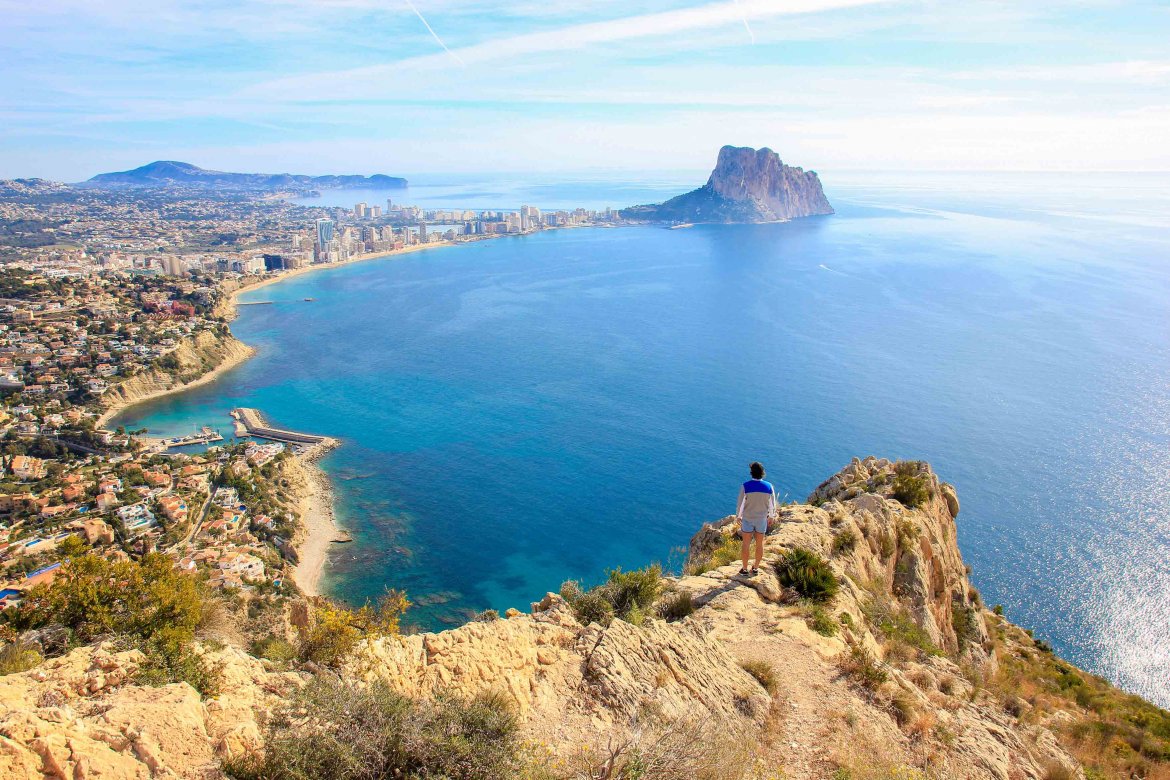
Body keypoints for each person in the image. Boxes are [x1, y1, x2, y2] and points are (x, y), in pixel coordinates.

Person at [735, 461, 776, 576]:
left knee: (746, 544)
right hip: (762, 519)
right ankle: (756, 568)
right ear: (762, 473)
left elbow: (741, 504)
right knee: (759, 544)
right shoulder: (769, 487)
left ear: (751, 473)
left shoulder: (745, 486)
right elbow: (772, 504)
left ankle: (744, 569)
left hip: (748, 519)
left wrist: (738, 516)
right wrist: (771, 516)